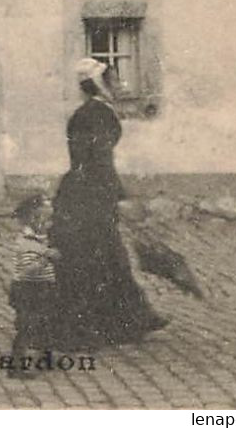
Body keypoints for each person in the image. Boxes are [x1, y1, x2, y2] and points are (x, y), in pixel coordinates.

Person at [50, 57, 167, 348]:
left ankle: (130, 317)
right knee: (99, 257)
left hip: (81, 191)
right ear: (99, 84)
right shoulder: (97, 114)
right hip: (90, 194)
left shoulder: (89, 112)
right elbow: (99, 160)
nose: (119, 85)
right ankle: (107, 323)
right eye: (113, 80)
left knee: (104, 256)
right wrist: (116, 195)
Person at [7, 193, 61, 379]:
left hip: (43, 287)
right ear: (33, 220)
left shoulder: (40, 239)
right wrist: (46, 258)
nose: (50, 224)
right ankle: (16, 366)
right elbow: (27, 271)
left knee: (46, 322)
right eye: (46, 220)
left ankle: (44, 358)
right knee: (27, 327)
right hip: (28, 289)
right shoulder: (26, 243)